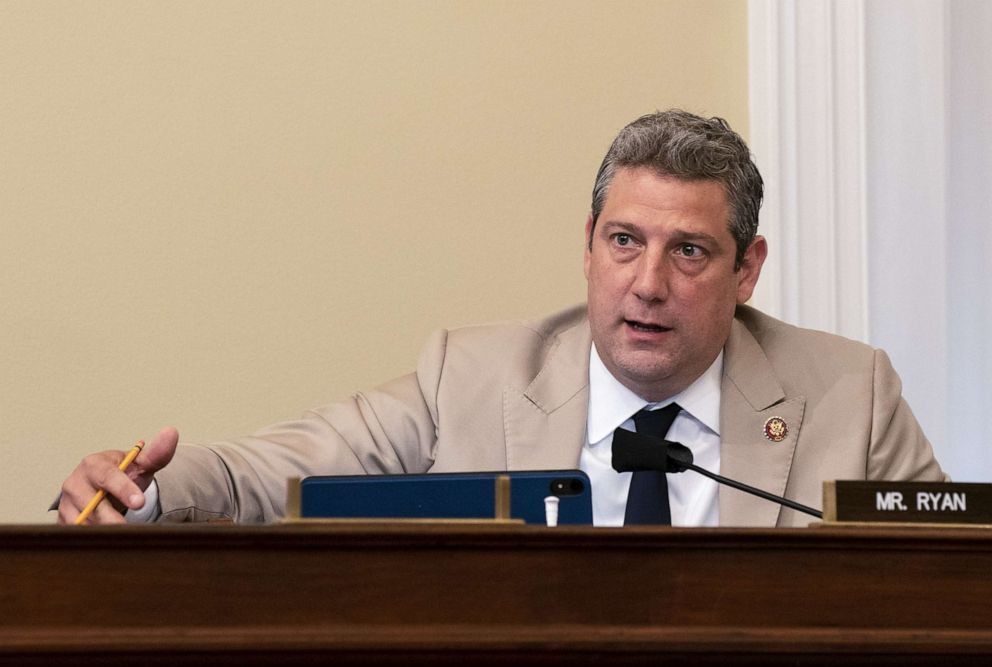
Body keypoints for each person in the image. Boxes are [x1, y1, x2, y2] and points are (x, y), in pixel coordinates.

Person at [56, 110, 946, 527]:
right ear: (588, 246)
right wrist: (149, 491)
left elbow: (952, 572)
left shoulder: (848, 397)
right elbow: (279, 471)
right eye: (625, 241)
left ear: (747, 268)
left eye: (689, 252)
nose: (646, 283)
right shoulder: (476, 377)